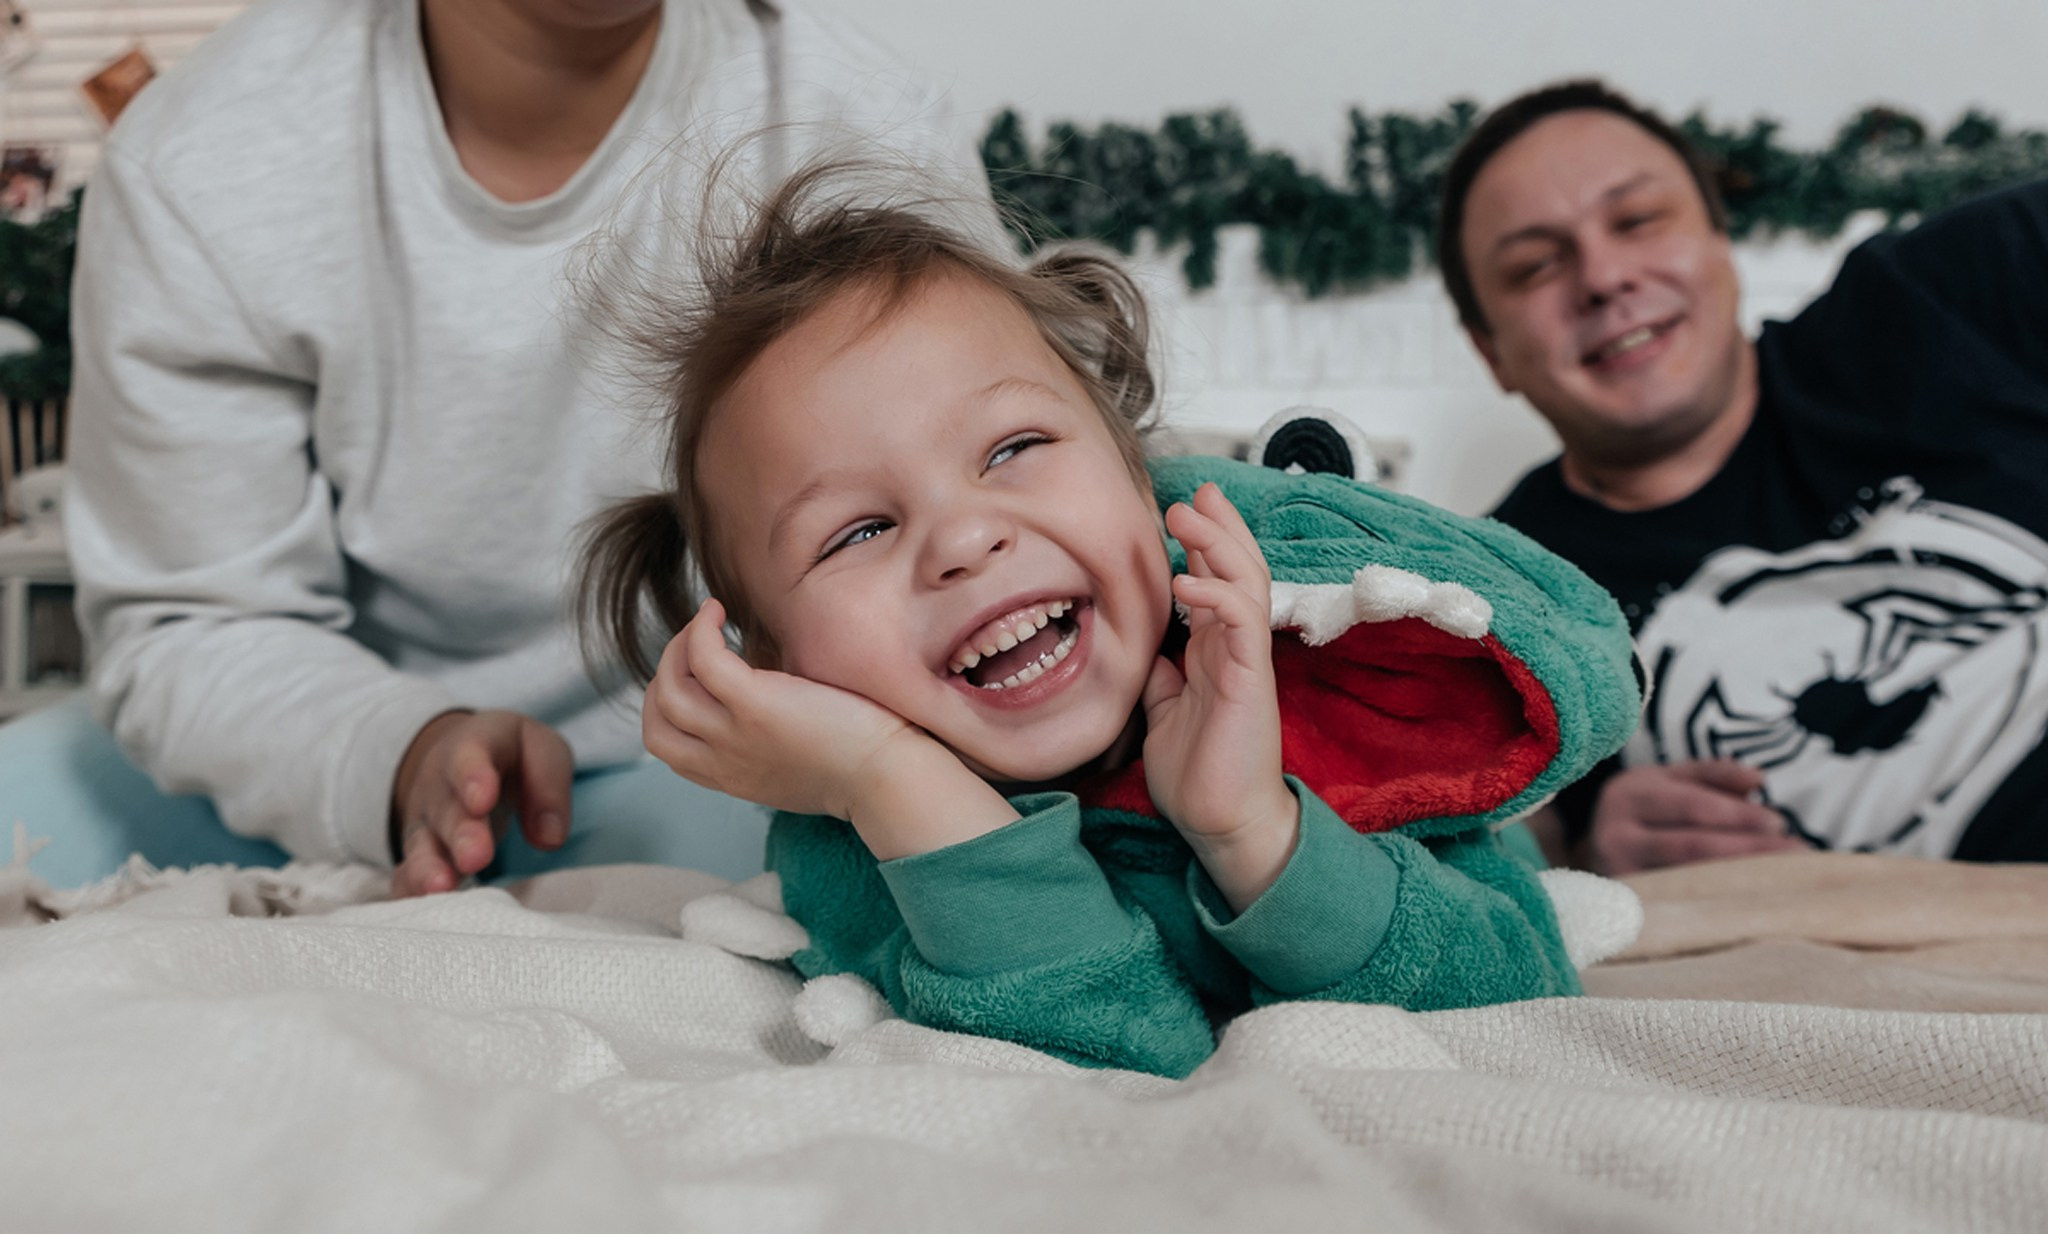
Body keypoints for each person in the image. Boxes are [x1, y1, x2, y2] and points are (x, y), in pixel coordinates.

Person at [576, 161, 1642, 1077]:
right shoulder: (855, 838)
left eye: (1010, 450)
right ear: (775, 667)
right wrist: (892, 782)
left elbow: (1516, 1006)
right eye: (855, 531)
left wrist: (1253, 828)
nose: (961, 540)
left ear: (1143, 482)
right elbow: (1113, 1071)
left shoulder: (1321, 683)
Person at [1, 0, 987, 892]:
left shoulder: (863, 123)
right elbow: (192, 618)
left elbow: (986, 513)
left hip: (764, 756)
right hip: (333, 745)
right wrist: (401, 752)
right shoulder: (201, 160)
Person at [1442, 80, 2048, 873]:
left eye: (1638, 221)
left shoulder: (1941, 297)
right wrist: (1583, 856)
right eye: (1534, 267)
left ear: (1720, 243)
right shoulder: (1493, 599)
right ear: (1492, 352)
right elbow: (1454, 861)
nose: (1603, 277)